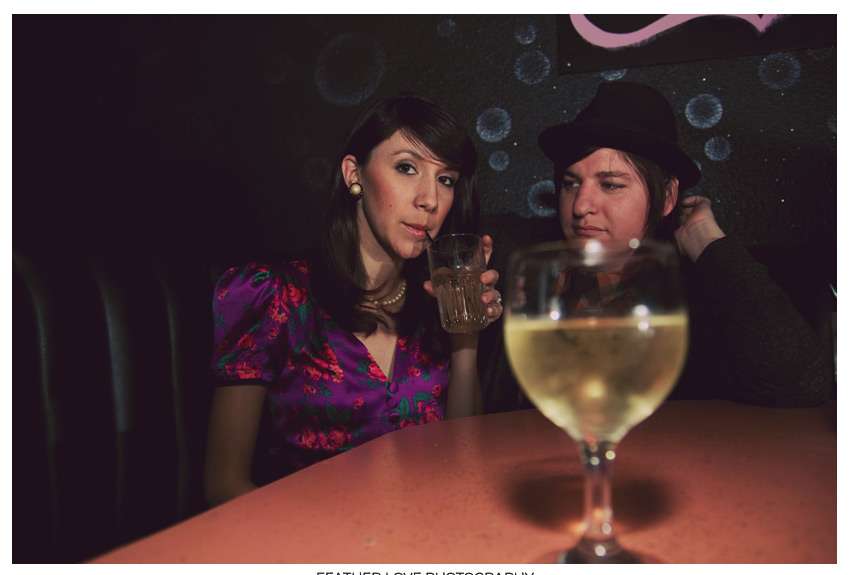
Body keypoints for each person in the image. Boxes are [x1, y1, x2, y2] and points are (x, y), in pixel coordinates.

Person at [204, 95, 503, 506]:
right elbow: (223, 487)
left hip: (425, 531)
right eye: (407, 168)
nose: (430, 200)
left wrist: (465, 338)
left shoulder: (435, 304)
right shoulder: (272, 294)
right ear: (353, 174)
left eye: (446, 180)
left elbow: (463, 464)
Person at [482, 81, 831, 411]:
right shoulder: (524, 261)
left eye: (611, 185)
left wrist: (707, 240)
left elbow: (803, 383)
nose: (581, 205)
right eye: (571, 183)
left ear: (667, 197)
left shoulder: (696, 288)